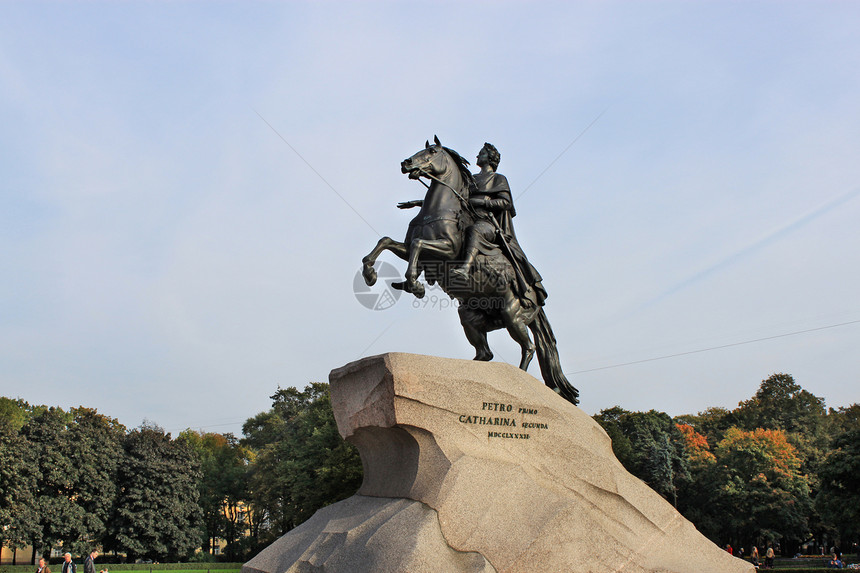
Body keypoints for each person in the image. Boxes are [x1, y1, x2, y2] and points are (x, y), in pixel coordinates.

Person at [450, 143, 547, 308]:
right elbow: (455, 200)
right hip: (468, 220)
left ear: (490, 158)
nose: (477, 156)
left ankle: (465, 269)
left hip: (487, 224)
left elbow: (505, 202)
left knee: (475, 231)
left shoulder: (498, 179)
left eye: (481, 153)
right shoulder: (471, 179)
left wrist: (481, 202)